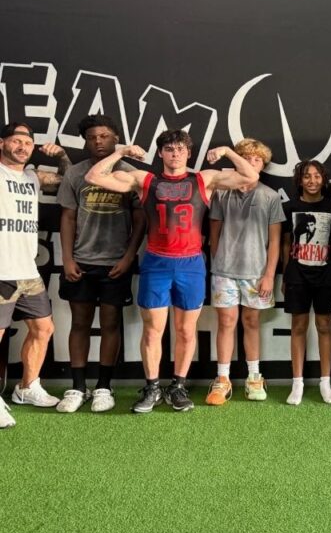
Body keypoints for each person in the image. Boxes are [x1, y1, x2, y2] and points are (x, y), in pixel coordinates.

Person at [85, 129, 259, 413]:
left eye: (180, 149)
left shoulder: (204, 179)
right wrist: (121, 152)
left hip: (191, 264)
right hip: (157, 262)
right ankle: (152, 387)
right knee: (153, 330)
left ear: (189, 153)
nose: (175, 153)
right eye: (169, 149)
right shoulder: (145, 180)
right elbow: (94, 177)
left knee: (186, 330)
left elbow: (250, 176)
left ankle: (177, 386)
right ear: (161, 153)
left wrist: (228, 151)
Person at [56, 115, 144, 414]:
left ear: (116, 138)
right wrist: (67, 258)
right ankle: (78, 387)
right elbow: (68, 217)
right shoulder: (76, 173)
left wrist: (129, 256)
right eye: (92, 137)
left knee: (110, 324)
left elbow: (140, 219)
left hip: (115, 263)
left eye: (104, 136)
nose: (98, 141)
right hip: (81, 261)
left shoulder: (130, 173)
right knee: (79, 323)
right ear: (85, 141)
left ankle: (104, 387)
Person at [205, 138, 286, 406]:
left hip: (257, 272)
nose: (251, 163)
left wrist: (269, 275)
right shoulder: (222, 192)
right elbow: (214, 232)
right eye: (247, 158)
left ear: (263, 165)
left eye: (257, 160)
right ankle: (223, 379)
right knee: (226, 323)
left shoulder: (270, 196)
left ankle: (254, 376)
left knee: (251, 322)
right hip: (224, 272)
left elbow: (275, 240)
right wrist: (219, 262)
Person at [0, 121, 68, 428]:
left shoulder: (32, 177)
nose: (22, 147)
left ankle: (27, 388)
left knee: (43, 328)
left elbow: (69, 181)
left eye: (28, 143)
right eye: (16, 141)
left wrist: (62, 156)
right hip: (1, 270)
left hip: (27, 271)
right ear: (2, 144)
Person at [281, 159, 331, 406]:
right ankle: (297, 383)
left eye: (317, 176)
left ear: (323, 180)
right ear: (300, 180)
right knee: (298, 326)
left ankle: (325, 383)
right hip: (297, 275)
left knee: (324, 326)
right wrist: (285, 274)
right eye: (307, 176)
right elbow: (286, 243)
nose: (312, 181)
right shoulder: (290, 207)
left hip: (326, 276)